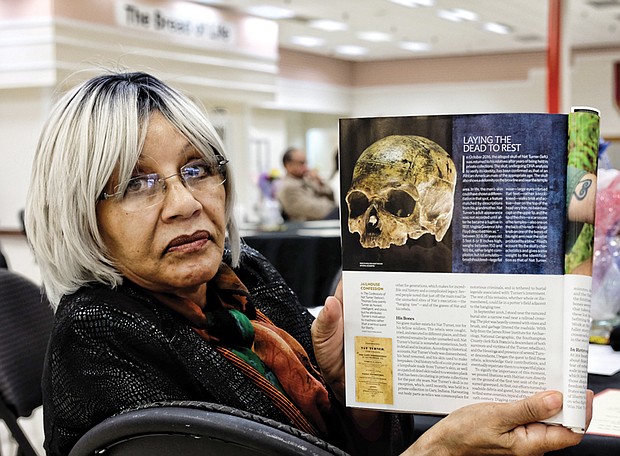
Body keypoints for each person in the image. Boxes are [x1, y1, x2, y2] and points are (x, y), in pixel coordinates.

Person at [25, 71, 592, 456]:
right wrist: (438, 449)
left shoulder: (247, 283)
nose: (185, 203)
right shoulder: (98, 342)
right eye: (135, 183)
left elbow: (349, 442)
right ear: (80, 212)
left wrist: (352, 389)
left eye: (197, 169)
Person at [276, 147, 336, 221]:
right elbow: (318, 211)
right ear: (288, 165)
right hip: (307, 226)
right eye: (301, 163)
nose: (306, 167)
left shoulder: (307, 180)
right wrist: (330, 205)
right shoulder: (287, 188)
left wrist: (320, 182)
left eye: (306, 163)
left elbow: (332, 196)